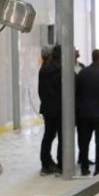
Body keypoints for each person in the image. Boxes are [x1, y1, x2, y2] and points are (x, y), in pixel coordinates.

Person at [76, 49, 99, 176]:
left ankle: (84, 167)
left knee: (84, 142)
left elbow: (77, 92)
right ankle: (98, 167)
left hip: (84, 114)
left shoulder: (83, 72)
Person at [38, 45, 63, 175]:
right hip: (59, 109)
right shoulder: (60, 70)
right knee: (62, 136)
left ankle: (46, 164)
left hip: (48, 108)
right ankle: (62, 164)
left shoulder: (43, 69)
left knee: (48, 136)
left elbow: (42, 91)